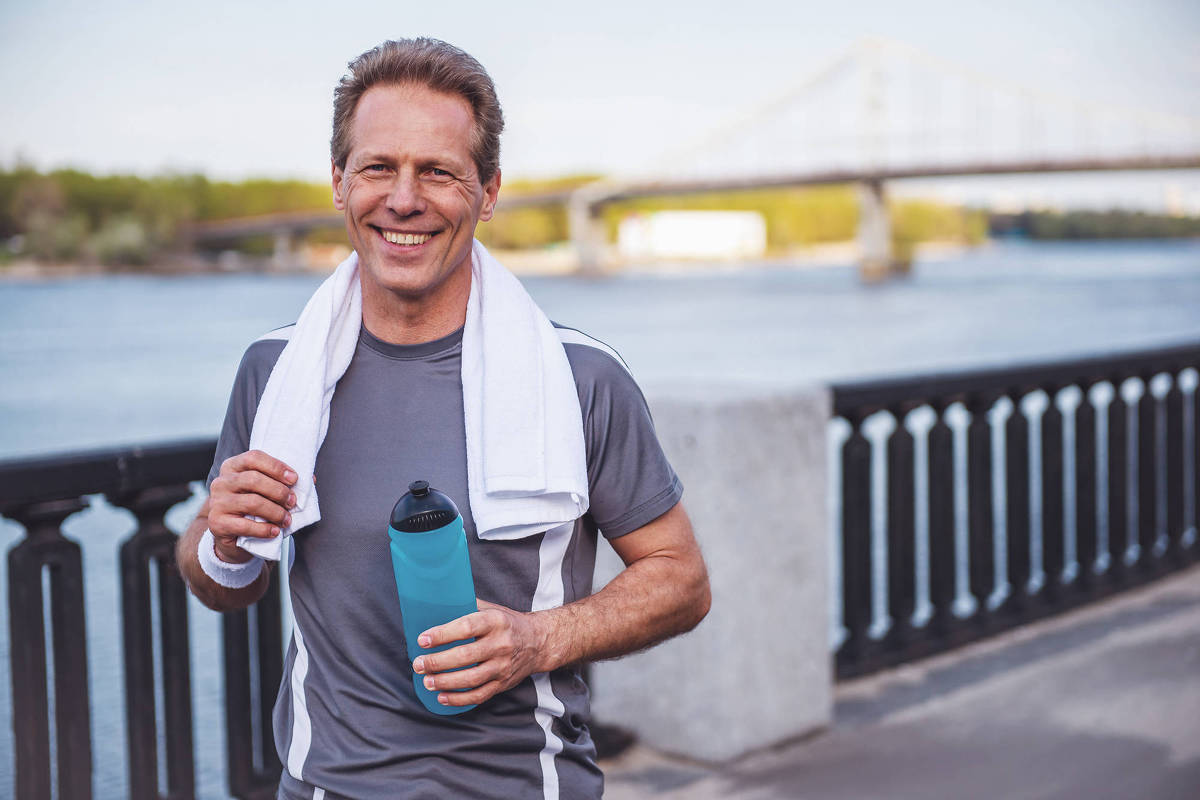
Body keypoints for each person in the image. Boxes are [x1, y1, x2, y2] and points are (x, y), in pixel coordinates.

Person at [176, 37, 710, 800]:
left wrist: (538, 640)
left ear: (488, 193)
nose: (403, 199)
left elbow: (682, 579)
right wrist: (219, 539)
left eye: (438, 171)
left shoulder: (582, 377)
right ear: (338, 182)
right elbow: (226, 583)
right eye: (377, 168)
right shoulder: (274, 372)